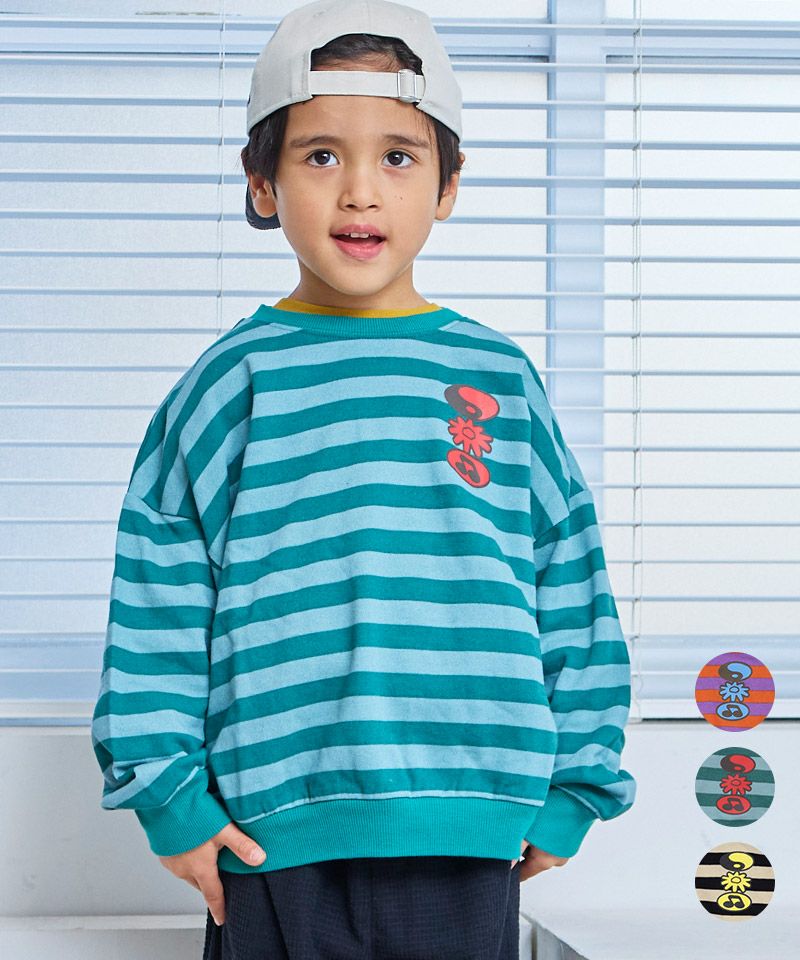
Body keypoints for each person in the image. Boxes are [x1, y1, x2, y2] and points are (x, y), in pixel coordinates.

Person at [89, 1, 637, 957]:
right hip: (271, 837)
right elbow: (158, 594)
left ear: (448, 185)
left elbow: (569, 579)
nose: (359, 193)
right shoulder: (230, 383)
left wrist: (578, 786)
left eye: (397, 157)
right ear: (263, 183)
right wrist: (168, 799)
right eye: (319, 156)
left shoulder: (498, 379)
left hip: (472, 834)